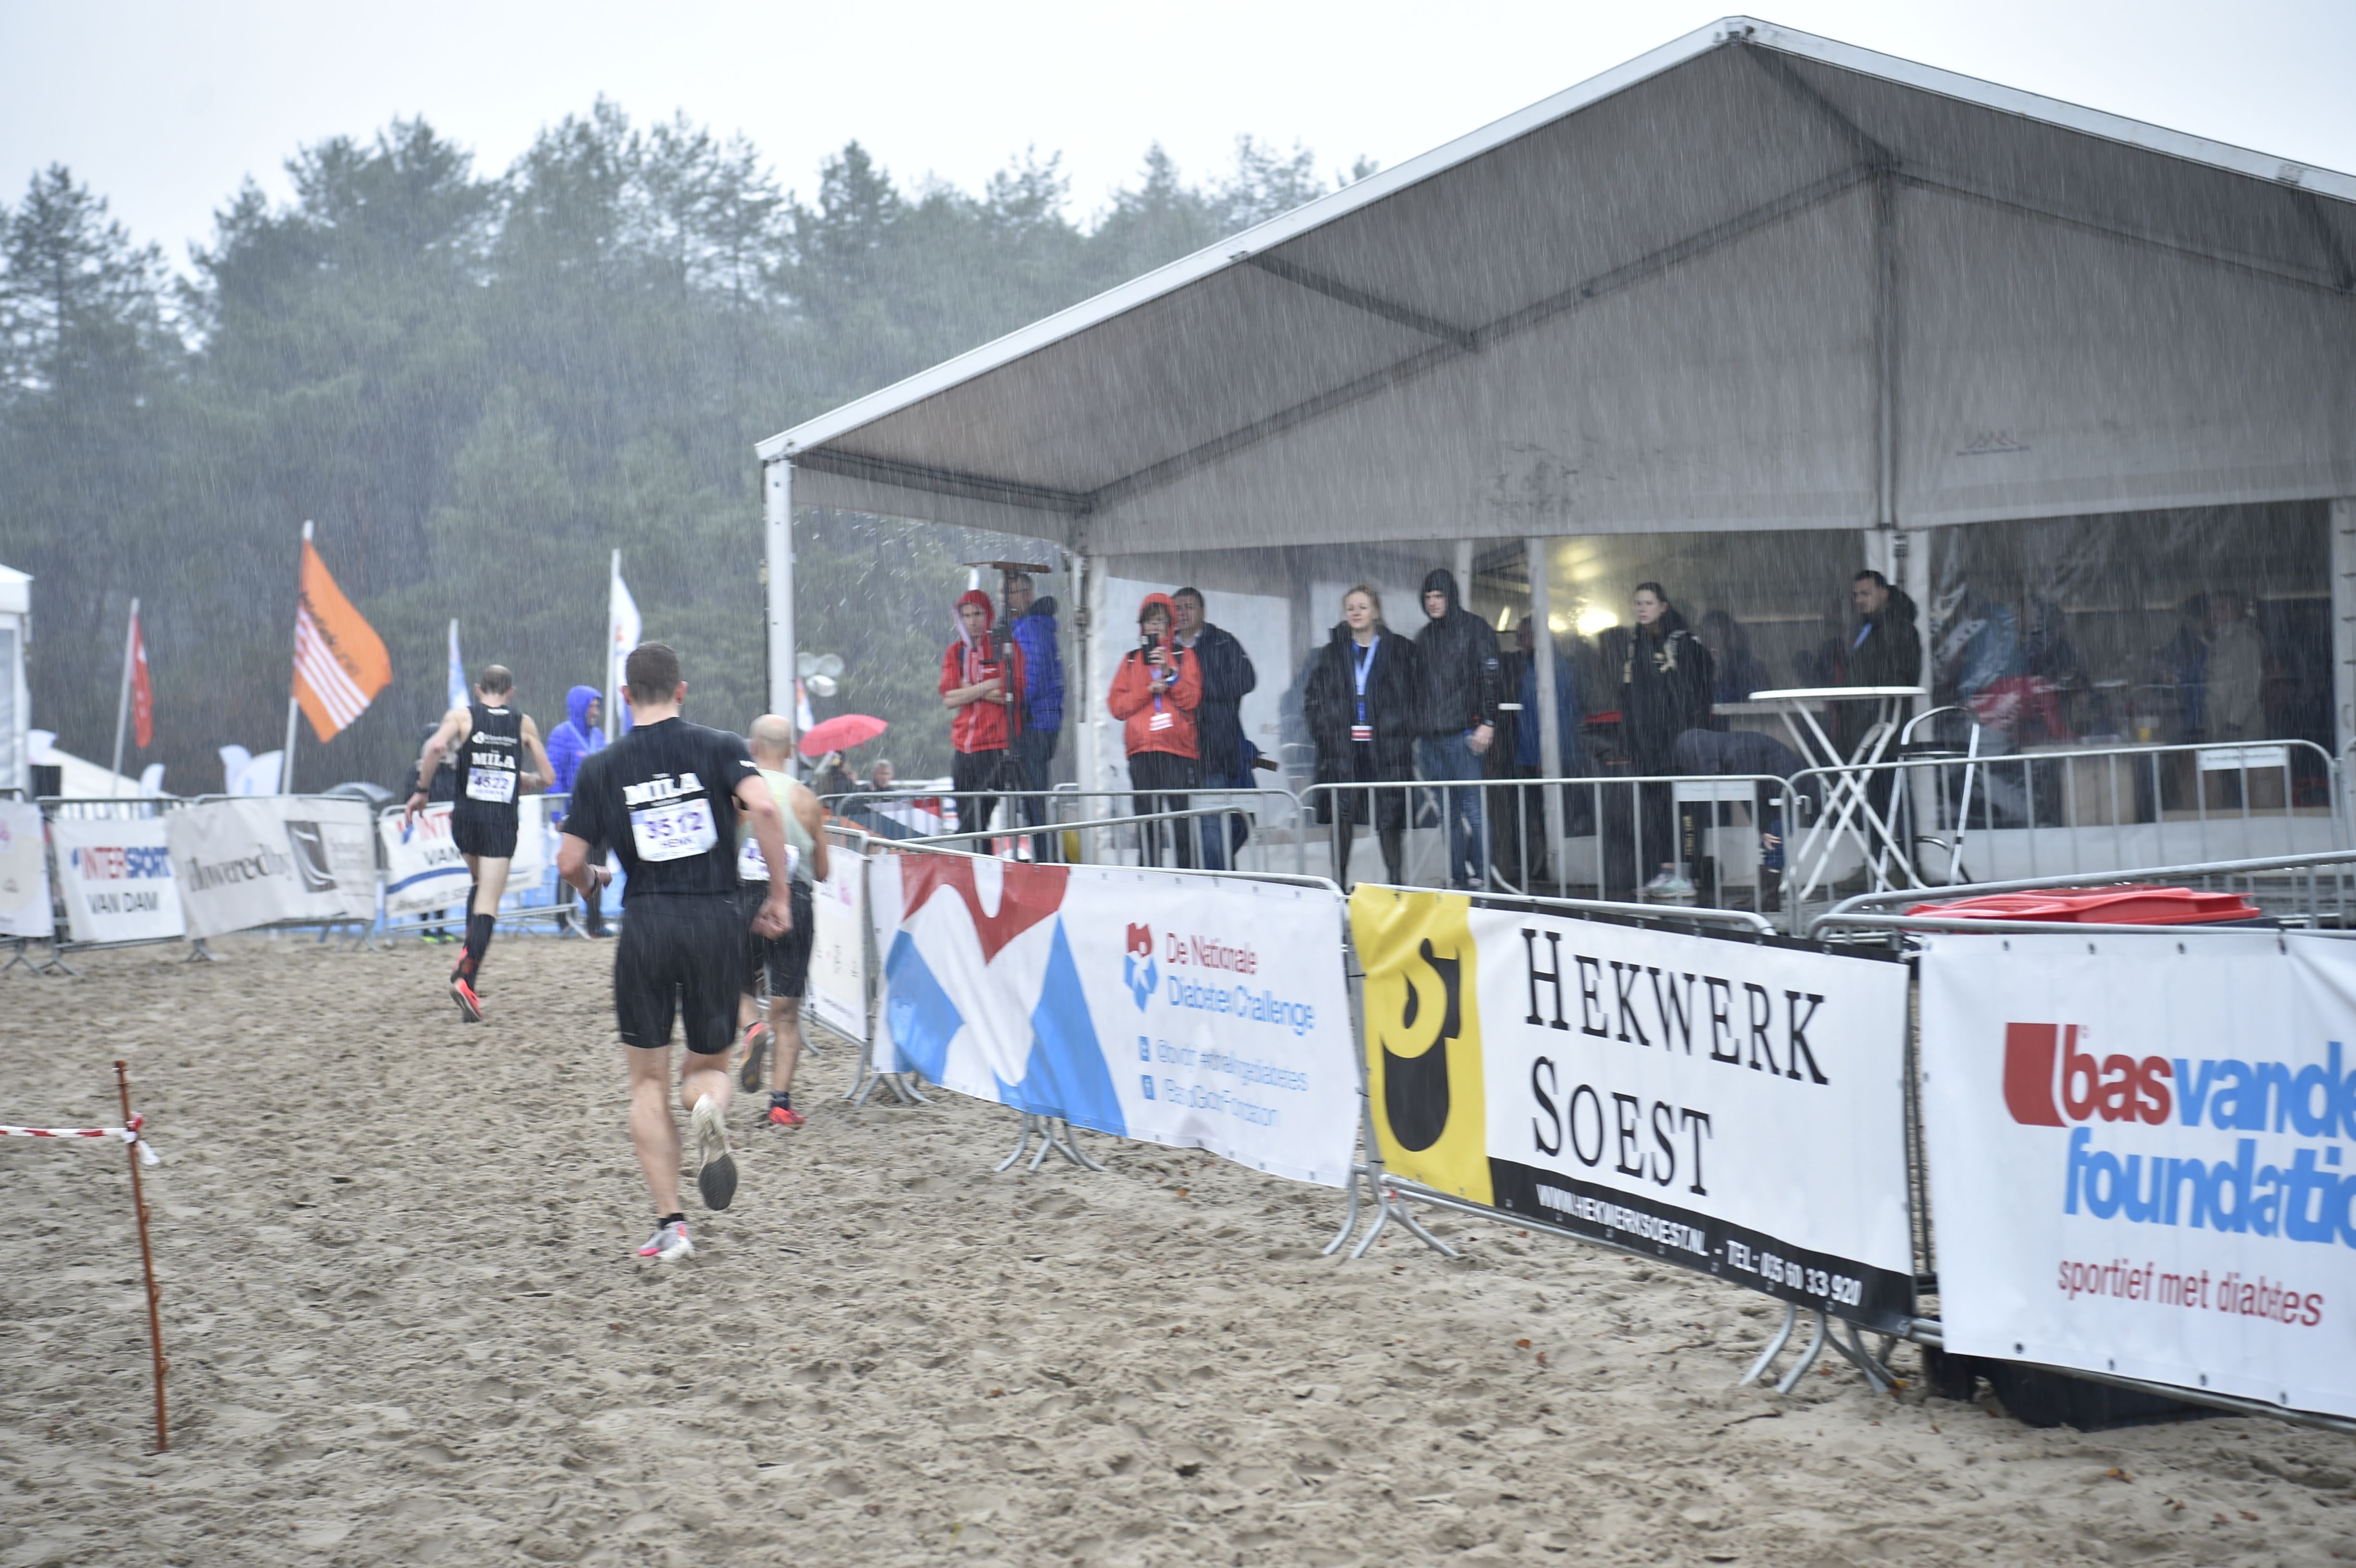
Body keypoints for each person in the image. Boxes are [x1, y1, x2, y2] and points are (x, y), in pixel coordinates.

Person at [556, 642, 791, 1263]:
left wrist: (592, 885)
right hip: (716, 920)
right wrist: (778, 895)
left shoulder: (601, 768)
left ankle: (672, 1226)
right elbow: (765, 807)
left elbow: (569, 861)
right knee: (707, 1067)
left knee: (647, 1084)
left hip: (647, 924)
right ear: (681, 691)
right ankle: (708, 1107)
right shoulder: (719, 747)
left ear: (625, 696)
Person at [404, 665, 554, 1020]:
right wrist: (527, 779)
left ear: (478, 689)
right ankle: (466, 977)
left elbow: (436, 746)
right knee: (489, 899)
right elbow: (549, 777)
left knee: (477, 883)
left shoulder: (461, 717)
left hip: (466, 817)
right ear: (511, 692)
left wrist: (422, 791)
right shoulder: (523, 724)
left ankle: (467, 966)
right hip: (500, 820)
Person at [731, 714, 828, 1130]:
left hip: (744, 896)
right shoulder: (807, 799)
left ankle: (752, 1026)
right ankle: (780, 1105)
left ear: (753, 747)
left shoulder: (739, 793)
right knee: (787, 1012)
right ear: (791, 750)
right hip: (795, 900)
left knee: (738, 987)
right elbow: (822, 870)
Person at [1303, 586, 1419, 887]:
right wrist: (1326, 732)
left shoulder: (1400, 650)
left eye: (1363, 607)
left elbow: (1415, 698)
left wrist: (1400, 730)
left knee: (1389, 816)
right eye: (1351, 608)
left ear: (1376, 612)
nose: (1356, 613)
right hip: (1344, 748)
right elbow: (1313, 699)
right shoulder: (1332, 653)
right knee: (1342, 814)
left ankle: (1395, 885)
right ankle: (1339, 886)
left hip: (1386, 747)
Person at [1618, 583, 1713, 898]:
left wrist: (1689, 734)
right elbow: (1630, 697)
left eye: (1648, 603)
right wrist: (1632, 739)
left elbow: (1700, 693)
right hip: (1648, 747)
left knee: (1685, 809)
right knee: (1659, 811)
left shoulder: (1684, 643)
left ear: (1663, 606)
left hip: (1679, 743)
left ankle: (1687, 874)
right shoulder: (1636, 645)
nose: (1642, 609)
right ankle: (1667, 870)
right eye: (1638, 603)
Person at [1413, 568, 1504, 890]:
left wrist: (1488, 722)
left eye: (1439, 596)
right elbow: (1417, 688)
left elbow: (1491, 678)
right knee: (1449, 814)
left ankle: (1482, 878)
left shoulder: (1475, 628)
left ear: (1450, 597)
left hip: (1464, 733)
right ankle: (1458, 878)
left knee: (1473, 810)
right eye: (1428, 597)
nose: (1433, 602)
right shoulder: (1425, 636)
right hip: (1432, 738)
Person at [1107, 592, 1203, 868]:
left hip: (1177, 751)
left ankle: (1188, 878)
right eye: (1150, 621)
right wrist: (1147, 690)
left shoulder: (1184, 657)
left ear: (1171, 625)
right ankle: (1148, 879)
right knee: (1147, 823)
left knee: (1182, 824)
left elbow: (1192, 700)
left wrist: (1170, 672)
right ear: (1142, 626)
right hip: (1141, 752)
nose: (1155, 627)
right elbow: (1117, 707)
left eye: (1160, 621)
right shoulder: (1130, 660)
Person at [1171, 586, 1258, 870]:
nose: (1183, 613)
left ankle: (1220, 878)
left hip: (1218, 747)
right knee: (1190, 828)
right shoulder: (1165, 648)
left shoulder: (1222, 642)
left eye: (1189, 607)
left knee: (1230, 822)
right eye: (1178, 608)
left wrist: (1199, 689)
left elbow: (1246, 680)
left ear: (1203, 611)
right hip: (1177, 751)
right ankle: (1202, 882)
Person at [938, 588, 1025, 842]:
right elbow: (948, 698)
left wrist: (968, 690)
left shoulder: (1005, 647)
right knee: (968, 818)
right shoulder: (956, 652)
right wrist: (988, 685)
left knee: (976, 820)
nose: (972, 622)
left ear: (988, 615)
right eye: (966, 616)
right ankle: (978, 861)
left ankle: (970, 859)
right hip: (963, 747)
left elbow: (1013, 694)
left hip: (995, 746)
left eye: (977, 614)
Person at [1508, 615, 1586, 881]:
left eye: (1522, 636)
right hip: (1532, 755)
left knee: (1553, 814)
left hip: (1549, 756)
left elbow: (1561, 715)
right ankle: (1545, 865)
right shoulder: (1532, 666)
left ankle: (1559, 867)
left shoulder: (1553, 668)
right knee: (1539, 815)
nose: (1518, 643)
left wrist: (1549, 752)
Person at [1006, 574, 1064, 863]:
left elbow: (1031, 678)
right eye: (1006, 593)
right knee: (1031, 796)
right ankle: (1043, 855)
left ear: (1027, 594)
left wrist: (1012, 705)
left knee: (1033, 796)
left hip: (1034, 723)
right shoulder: (1033, 627)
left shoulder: (1031, 628)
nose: (1008, 599)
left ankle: (1045, 859)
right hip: (1042, 721)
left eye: (1014, 592)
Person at [545, 685, 610, 938]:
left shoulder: (599, 736)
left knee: (598, 866)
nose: (596, 712)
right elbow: (554, 776)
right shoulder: (562, 735)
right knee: (571, 866)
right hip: (573, 813)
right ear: (580, 707)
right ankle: (564, 921)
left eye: (598, 706)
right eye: (592, 706)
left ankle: (595, 923)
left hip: (600, 814)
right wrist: (557, 815)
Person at [405, 718, 460, 943]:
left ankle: (441, 926)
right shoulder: (417, 771)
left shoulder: (454, 768)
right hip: (424, 835)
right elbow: (408, 799)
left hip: (447, 834)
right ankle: (426, 928)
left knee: (444, 880)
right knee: (427, 881)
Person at [1697, 610, 1771, 707]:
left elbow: (1752, 699)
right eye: (1706, 637)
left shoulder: (1749, 666)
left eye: (1716, 636)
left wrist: (1716, 679)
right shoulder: (1697, 666)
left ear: (1728, 637)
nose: (1710, 643)